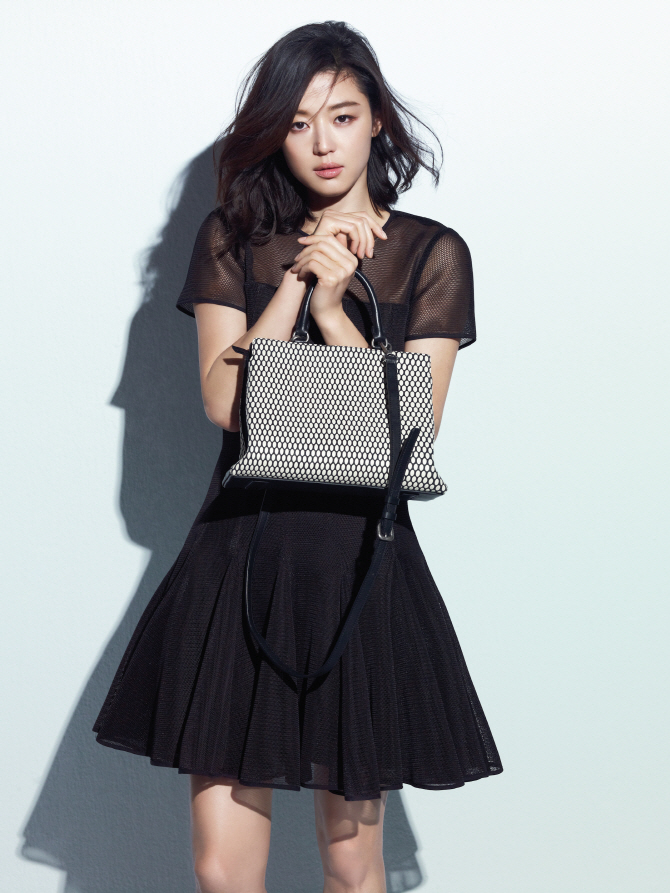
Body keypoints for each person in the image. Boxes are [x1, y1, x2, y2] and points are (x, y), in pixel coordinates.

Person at [93, 20, 502, 893]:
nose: (323, 143)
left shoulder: (432, 252)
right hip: (236, 557)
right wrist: (293, 281)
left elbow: (409, 431)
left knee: (352, 864)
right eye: (299, 122)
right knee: (221, 866)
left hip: (360, 568)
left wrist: (331, 308)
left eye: (343, 117)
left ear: (378, 121)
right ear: (275, 133)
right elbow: (224, 402)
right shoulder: (232, 237)